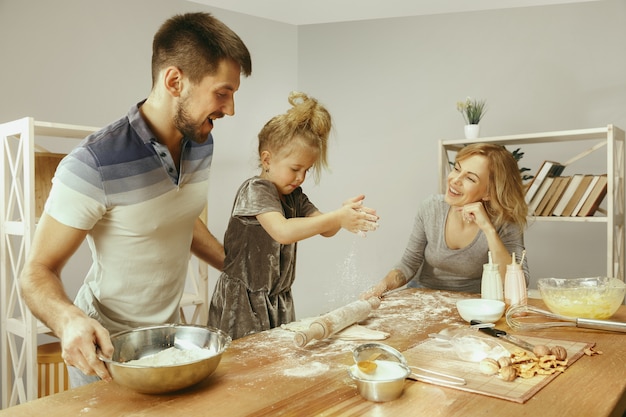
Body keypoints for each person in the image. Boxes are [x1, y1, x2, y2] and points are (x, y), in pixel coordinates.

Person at [18, 12, 252, 387]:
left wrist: (241, 268)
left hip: (171, 342)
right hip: (105, 354)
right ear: (175, 80)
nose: (230, 109)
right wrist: (68, 320)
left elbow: (175, 216)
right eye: (222, 93)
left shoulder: (202, 143)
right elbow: (35, 273)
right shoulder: (94, 163)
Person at [208, 91, 380, 340]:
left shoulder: (295, 196)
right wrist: (336, 217)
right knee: (243, 368)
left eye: (306, 170)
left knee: (275, 363)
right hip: (243, 301)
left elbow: (326, 228)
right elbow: (283, 231)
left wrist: (342, 215)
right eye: (295, 169)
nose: (300, 177)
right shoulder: (255, 190)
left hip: (277, 300)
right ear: (267, 159)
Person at [361, 143, 529, 299]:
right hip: (424, 298)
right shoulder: (431, 208)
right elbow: (408, 264)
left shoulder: (504, 221)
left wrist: (488, 229)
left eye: (470, 178)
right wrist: (382, 286)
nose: (455, 180)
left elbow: (517, 282)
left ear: (488, 193)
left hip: (473, 304)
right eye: (456, 169)